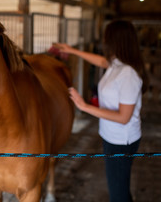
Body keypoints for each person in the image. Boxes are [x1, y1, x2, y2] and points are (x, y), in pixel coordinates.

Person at [55, 20, 148, 202]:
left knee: (118, 195)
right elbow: (100, 61)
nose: (104, 41)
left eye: (107, 38)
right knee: (120, 187)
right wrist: (72, 50)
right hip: (111, 137)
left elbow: (123, 117)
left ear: (116, 41)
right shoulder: (117, 64)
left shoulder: (128, 74)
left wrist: (84, 106)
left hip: (121, 141)